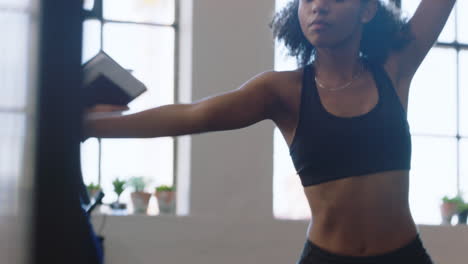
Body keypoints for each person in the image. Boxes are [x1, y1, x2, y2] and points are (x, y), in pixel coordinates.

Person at [82, 0, 457, 263]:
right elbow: (192, 115)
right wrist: (84, 125)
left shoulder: (394, 68)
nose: (318, 6)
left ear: (367, 10)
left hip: (403, 255)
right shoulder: (283, 92)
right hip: (326, 259)